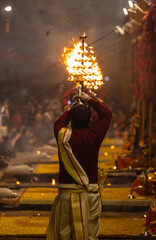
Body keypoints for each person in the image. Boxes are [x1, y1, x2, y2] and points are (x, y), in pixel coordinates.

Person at [46, 91, 112, 240]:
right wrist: (89, 98)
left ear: (71, 121)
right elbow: (106, 114)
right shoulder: (94, 135)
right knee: (90, 236)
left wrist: (72, 109)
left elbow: (59, 122)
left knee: (64, 235)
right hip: (90, 196)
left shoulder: (62, 136)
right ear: (90, 121)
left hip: (66, 197)